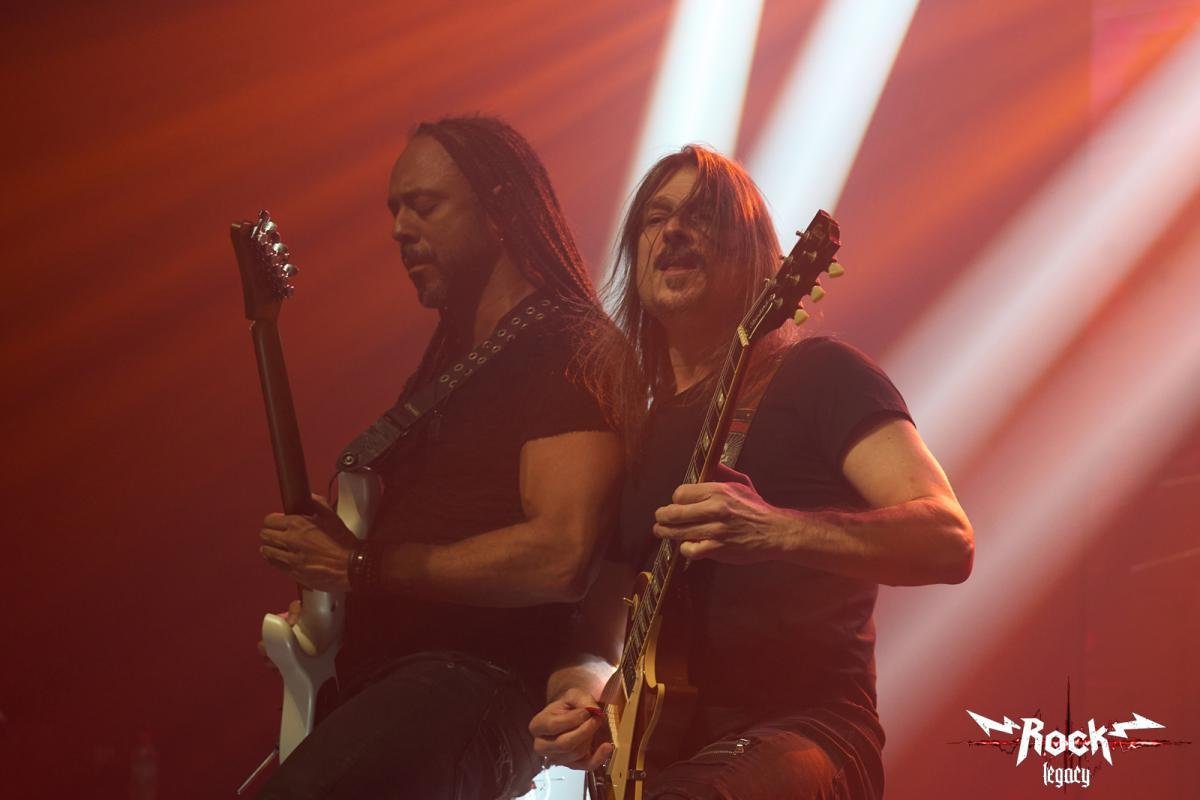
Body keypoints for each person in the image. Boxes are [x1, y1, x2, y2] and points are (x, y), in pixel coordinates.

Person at [529, 145, 974, 800]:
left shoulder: (821, 375)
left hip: (806, 733)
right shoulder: (635, 434)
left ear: (756, 258)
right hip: (660, 759)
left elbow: (948, 540)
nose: (674, 231)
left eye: (701, 215)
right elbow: (597, 635)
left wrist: (774, 529)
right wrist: (583, 697)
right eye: (656, 217)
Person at [254, 115, 632, 799]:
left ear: (499, 211)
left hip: (471, 683)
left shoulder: (566, 347)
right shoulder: (451, 363)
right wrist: (342, 558)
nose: (400, 229)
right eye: (394, 211)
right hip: (392, 687)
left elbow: (562, 553)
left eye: (424, 206)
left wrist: (362, 565)